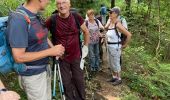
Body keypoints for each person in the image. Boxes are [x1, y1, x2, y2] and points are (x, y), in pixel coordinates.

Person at [6, 0, 65, 100]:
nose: (49, 2)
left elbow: (43, 36)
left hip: (44, 70)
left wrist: (54, 49)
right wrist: (51, 52)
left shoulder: (35, 16)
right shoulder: (19, 20)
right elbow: (18, 57)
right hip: (33, 76)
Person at [46, 0, 89, 99]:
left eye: (64, 2)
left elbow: (86, 32)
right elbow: (43, 35)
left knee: (79, 81)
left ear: (69, 4)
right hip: (61, 58)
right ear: (56, 6)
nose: (61, 6)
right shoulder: (52, 19)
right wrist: (53, 49)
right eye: (58, 3)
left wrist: (85, 47)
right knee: (66, 83)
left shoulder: (76, 17)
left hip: (76, 55)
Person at [105, 7, 132, 85]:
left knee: (116, 63)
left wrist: (124, 45)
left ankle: (119, 79)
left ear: (116, 14)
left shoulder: (118, 24)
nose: (109, 14)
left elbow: (129, 35)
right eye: (109, 12)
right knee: (110, 62)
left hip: (115, 47)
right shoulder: (110, 22)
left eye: (111, 12)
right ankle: (114, 77)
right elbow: (107, 31)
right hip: (109, 46)